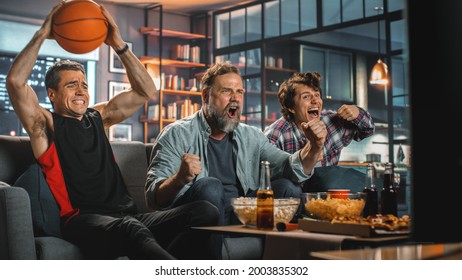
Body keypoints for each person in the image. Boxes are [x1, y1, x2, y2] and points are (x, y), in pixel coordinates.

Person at [6, 2, 219, 260]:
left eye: (84, 84)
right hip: (82, 221)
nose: (81, 90)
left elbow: (145, 91)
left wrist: (118, 44)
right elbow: (16, 82)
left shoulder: (99, 117)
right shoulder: (45, 126)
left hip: (128, 219)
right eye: (72, 85)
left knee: (205, 212)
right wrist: (42, 33)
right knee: (131, 228)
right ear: (52, 94)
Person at [145, 62, 326, 230]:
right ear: (206, 96)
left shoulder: (252, 136)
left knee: (288, 187)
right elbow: (153, 198)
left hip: (241, 213)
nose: (235, 98)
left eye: (239, 92)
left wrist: (315, 146)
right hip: (201, 215)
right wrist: (179, 178)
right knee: (210, 186)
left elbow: (288, 166)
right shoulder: (176, 134)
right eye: (226, 91)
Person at [264, 71, 375, 191]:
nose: (315, 100)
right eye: (306, 96)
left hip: (328, 199)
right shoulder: (275, 134)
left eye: (317, 95)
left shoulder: (333, 121)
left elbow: (367, 130)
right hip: (295, 198)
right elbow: (267, 178)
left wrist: (358, 113)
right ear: (291, 107)